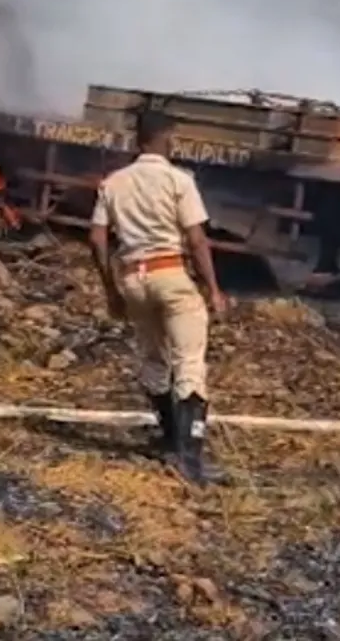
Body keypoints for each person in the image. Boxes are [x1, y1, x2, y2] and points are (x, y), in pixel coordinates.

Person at [88, 111, 227, 485]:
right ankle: (190, 458)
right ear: (167, 139)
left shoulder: (113, 183)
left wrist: (111, 290)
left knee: (154, 359)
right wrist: (213, 288)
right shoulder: (179, 180)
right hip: (171, 275)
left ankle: (168, 440)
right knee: (189, 362)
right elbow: (197, 239)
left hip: (133, 278)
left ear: (138, 141)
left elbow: (98, 238)